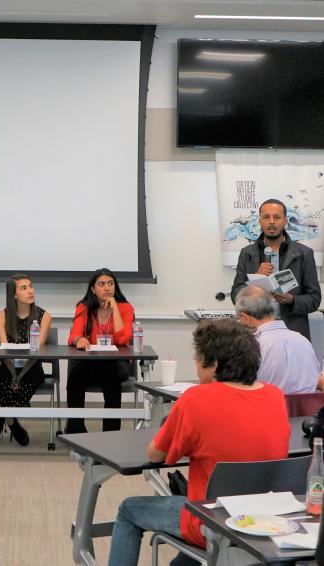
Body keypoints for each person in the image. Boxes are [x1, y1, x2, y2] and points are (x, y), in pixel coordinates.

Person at [107, 319, 290, 566]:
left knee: (129, 509)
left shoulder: (196, 398)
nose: (195, 364)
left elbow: (156, 455)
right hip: (263, 521)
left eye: (197, 357)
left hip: (211, 521)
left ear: (213, 364)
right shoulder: (274, 396)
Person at [231, 198, 320, 340]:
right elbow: (235, 295)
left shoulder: (304, 253)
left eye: (277, 217)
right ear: (260, 221)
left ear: (285, 221)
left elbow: (314, 299)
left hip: (292, 333)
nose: (271, 221)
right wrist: (254, 281)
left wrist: (292, 301)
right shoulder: (247, 253)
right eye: (266, 217)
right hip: (255, 333)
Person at [0, 274, 52, 446]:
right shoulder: (1, 316)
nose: (30, 291)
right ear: (14, 294)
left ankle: (2, 419)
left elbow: (37, 350)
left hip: (32, 367)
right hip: (8, 366)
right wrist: (13, 373)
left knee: (15, 390)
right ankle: (12, 422)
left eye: (30, 286)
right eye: (24, 288)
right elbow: (4, 349)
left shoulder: (44, 316)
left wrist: (19, 377)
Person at [66, 268, 134, 432]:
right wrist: (79, 339)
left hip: (117, 362)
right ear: (92, 289)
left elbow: (122, 339)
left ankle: (110, 434)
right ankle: (76, 431)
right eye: (101, 284)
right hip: (92, 361)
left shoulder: (125, 308)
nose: (107, 288)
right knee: (74, 379)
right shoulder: (84, 307)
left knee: (111, 377)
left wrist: (115, 309)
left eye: (110, 284)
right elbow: (73, 335)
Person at [236, 286, 319, 394]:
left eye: (238, 318)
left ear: (245, 318)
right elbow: (316, 379)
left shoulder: (252, 347)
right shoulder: (303, 340)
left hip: (266, 408)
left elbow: (241, 389)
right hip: (306, 409)